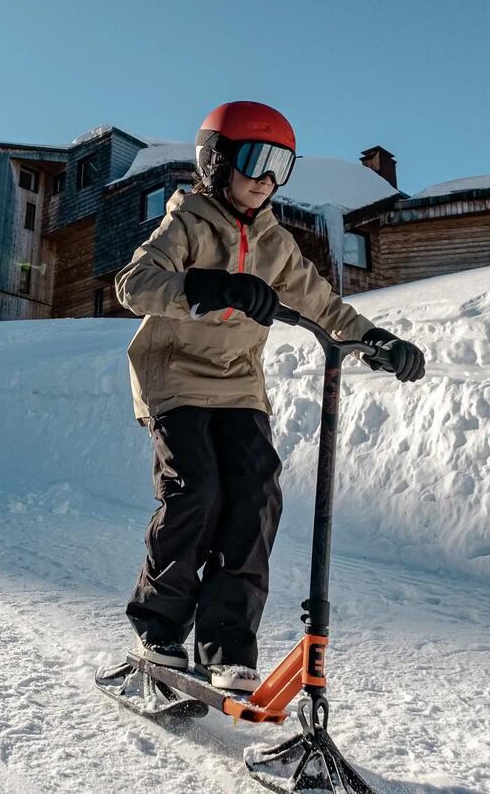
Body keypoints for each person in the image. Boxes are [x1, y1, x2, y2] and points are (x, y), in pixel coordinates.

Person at [113, 101, 425, 693]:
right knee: (198, 492)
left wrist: (377, 339)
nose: (267, 179)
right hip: (174, 376)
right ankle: (159, 624)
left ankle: (227, 643)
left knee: (256, 495)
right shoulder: (187, 220)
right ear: (216, 160)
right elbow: (136, 285)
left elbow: (323, 306)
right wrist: (206, 285)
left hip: (237, 382)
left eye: (281, 166)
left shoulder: (273, 241)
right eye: (257, 161)